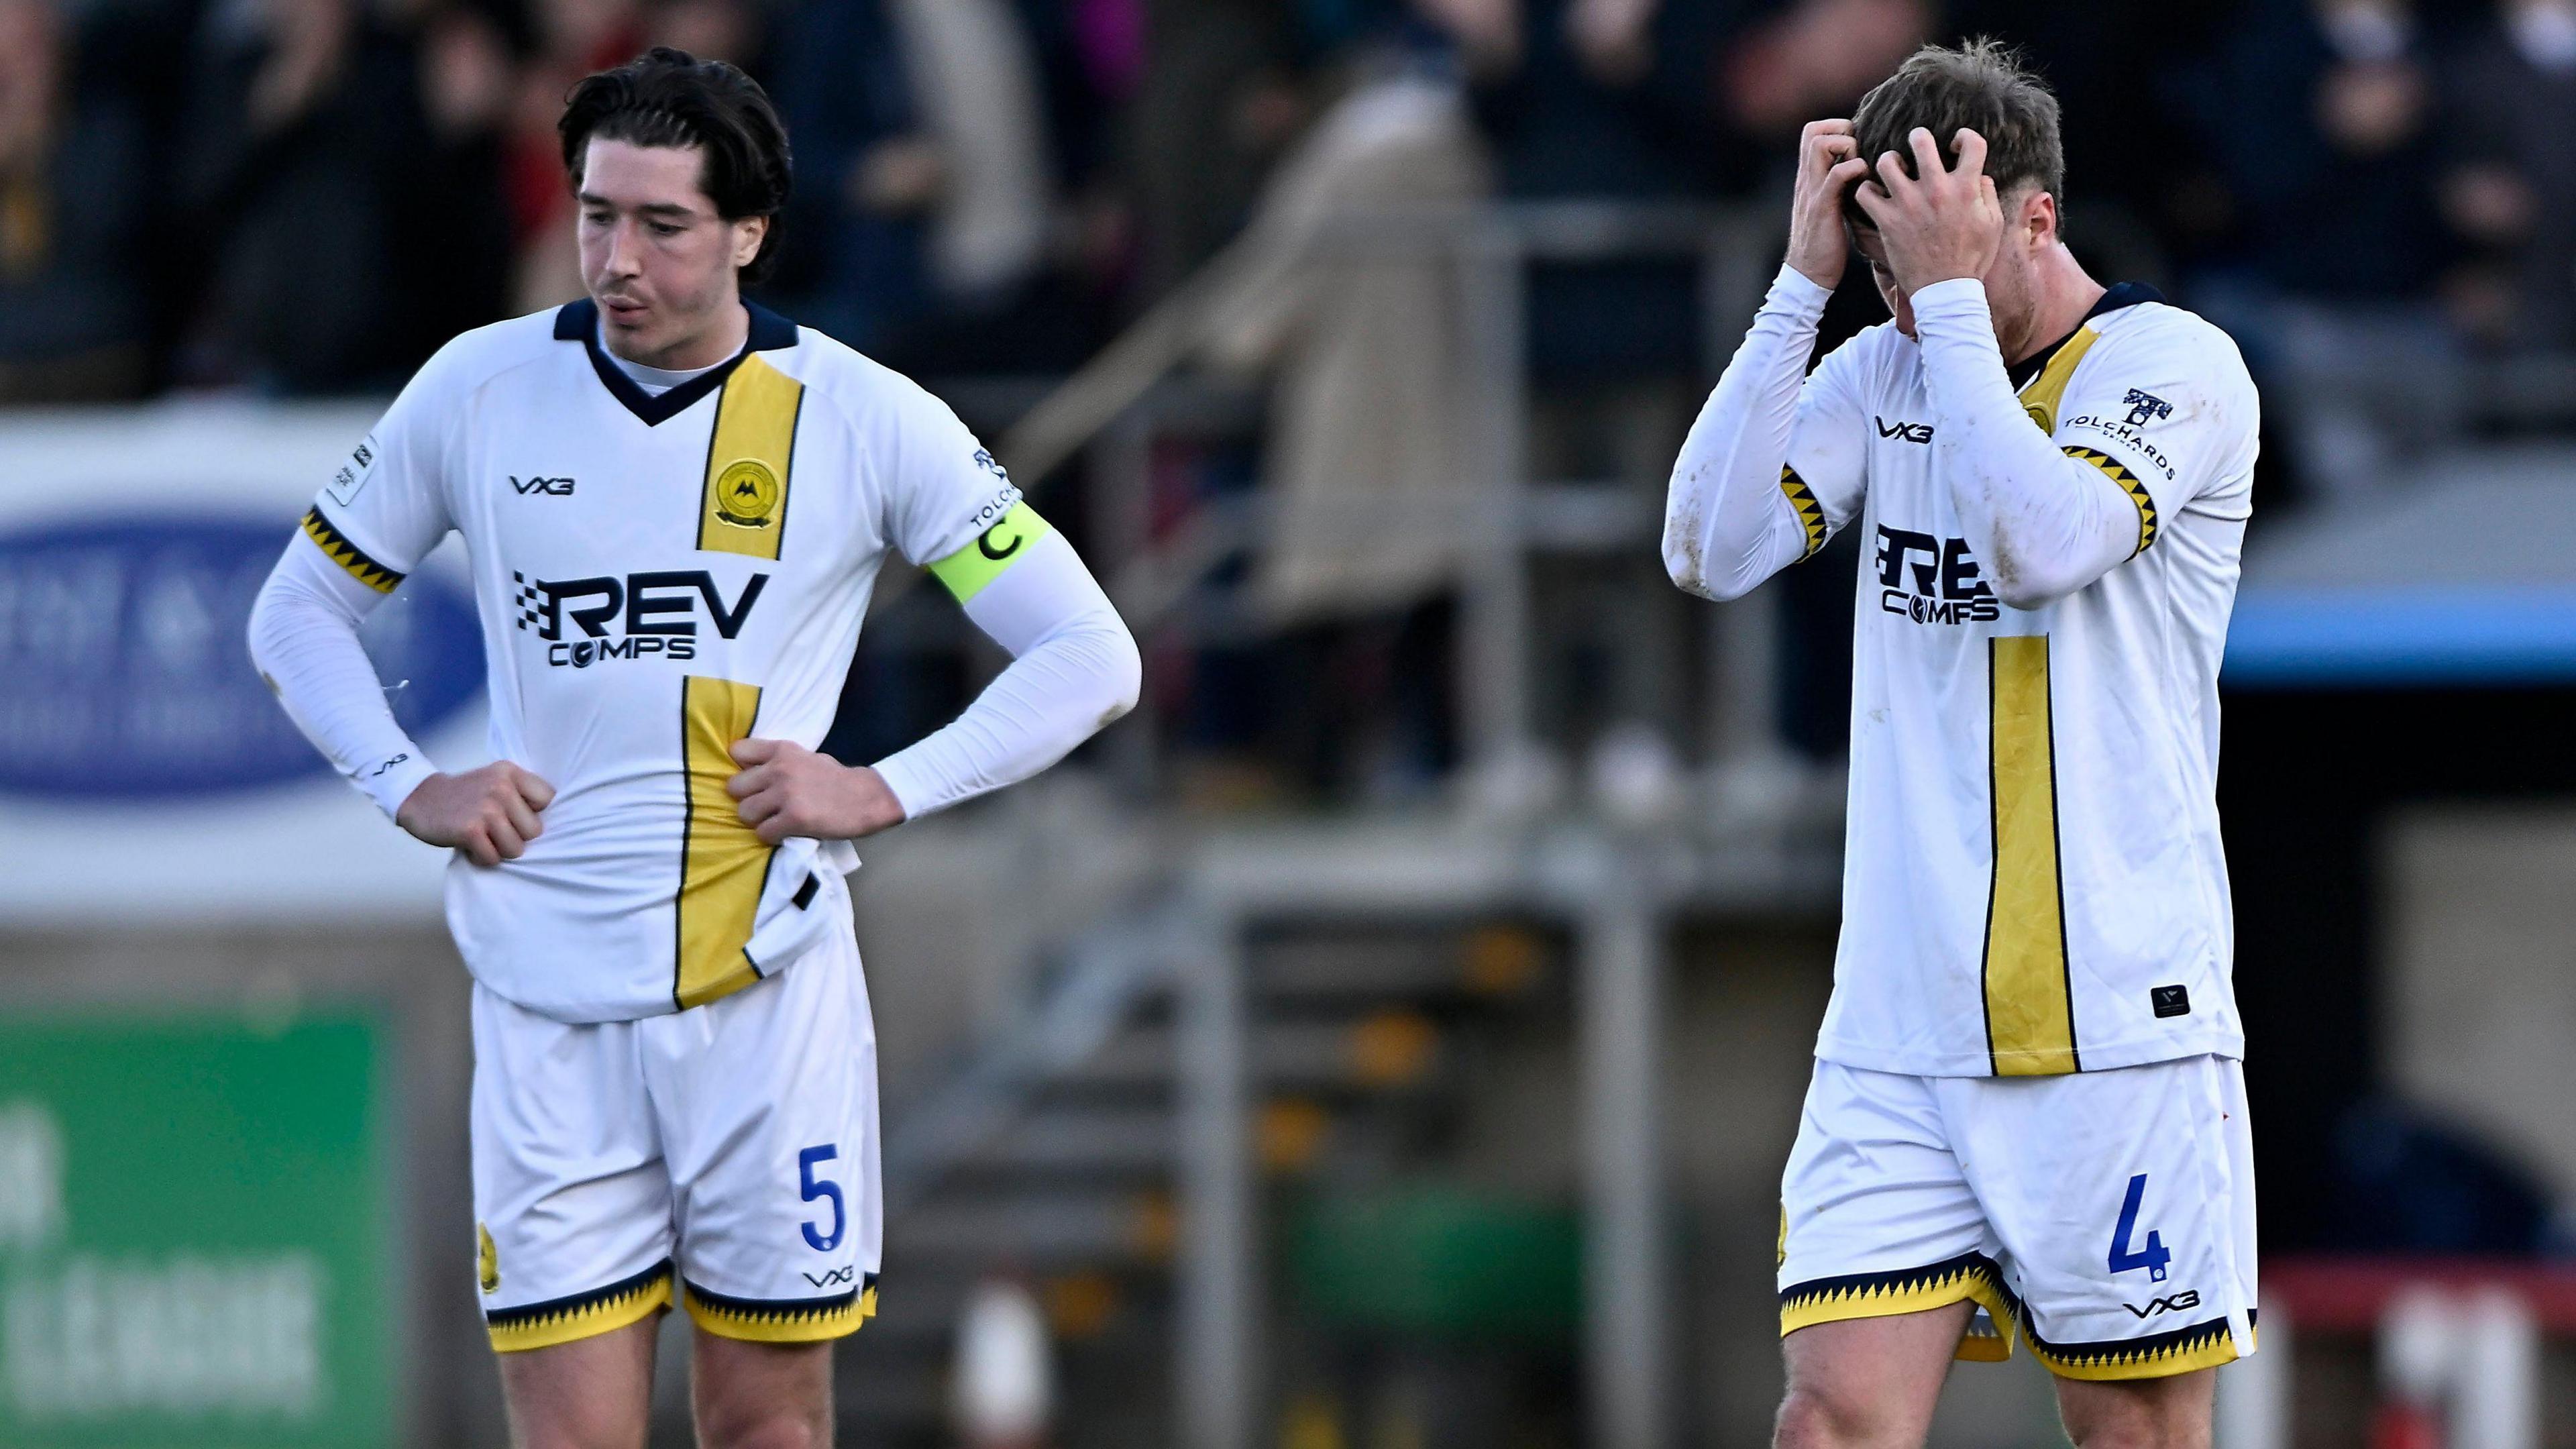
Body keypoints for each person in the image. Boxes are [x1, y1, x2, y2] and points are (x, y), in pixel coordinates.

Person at [246, 48, 1141, 1447]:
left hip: (764, 1007)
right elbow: (296, 612)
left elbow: (1092, 656)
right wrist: (406, 781)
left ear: (748, 234)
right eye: (597, 215)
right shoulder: (479, 388)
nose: (618, 259)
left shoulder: (864, 415)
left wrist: (886, 787)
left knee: (768, 1424)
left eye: (663, 225)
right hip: (545, 1003)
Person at [1661, 41, 2259, 1449]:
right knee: (1828, 1422)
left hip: (2114, 1032)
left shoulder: (2175, 367)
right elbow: (1707, 547)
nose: (1906, 300)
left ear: (2036, 218)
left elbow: (2042, 543)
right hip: (1897, 1034)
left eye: (1938, 261)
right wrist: (1801, 289)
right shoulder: (1885, 363)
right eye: (1884, 270)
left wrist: (1937, 304)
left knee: (2133, 1433)